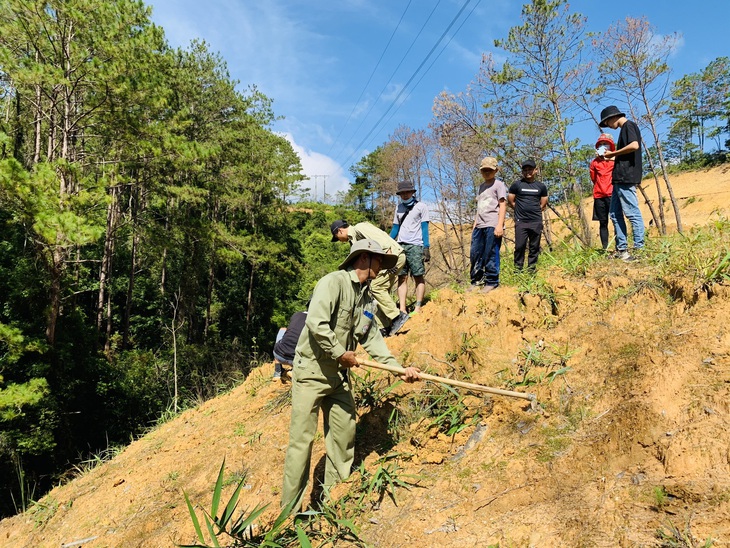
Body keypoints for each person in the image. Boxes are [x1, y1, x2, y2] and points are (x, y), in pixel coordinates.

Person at [281, 239, 421, 512]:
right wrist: (338, 352)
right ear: (364, 259)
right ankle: (290, 512)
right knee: (301, 443)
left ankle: (334, 503)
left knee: (344, 436)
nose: (382, 268)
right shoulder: (332, 283)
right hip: (311, 372)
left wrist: (399, 370)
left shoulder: (367, 298)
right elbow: (316, 323)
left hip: (339, 377)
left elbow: (371, 337)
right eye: (380, 261)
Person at [330, 220, 409, 336]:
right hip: (385, 261)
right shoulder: (354, 239)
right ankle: (384, 327)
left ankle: (397, 316)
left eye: (337, 237)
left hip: (391, 257)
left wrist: (390, 258)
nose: (340, 241)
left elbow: (381, 240)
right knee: (373, 292)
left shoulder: (359, 227)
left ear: (340, 231)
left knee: (376, 287)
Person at [598, 105, 645, 261]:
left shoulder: (628, 125)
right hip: (619, 178)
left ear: (612, 117)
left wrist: (613, 153)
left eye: (607, 123)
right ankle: (622, 249)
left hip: (626, 177)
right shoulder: (625, 129)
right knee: (614, 214)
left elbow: (634, 146)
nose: (609, 126)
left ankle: (639, 249)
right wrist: (613, 157)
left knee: (632, 213)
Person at [390, 181, 430, 315]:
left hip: (415, 245)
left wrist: (426, 247)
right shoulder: (398, 208)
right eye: (402, 193)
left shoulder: (421, 207)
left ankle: (418, 307)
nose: (405, 195)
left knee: (418, 276)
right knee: (402, 277)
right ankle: (402, 308)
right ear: (400, 194)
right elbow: (395, 228)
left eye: (407, 192)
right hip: (400, 246)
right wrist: (388, 242)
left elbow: (424, 228)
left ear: (412, 192)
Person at [469, 156, 507, 293]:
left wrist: (499, 225)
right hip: (479, 225)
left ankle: (492, 281)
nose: (487, 173)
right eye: (484, 170)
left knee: (491, 252)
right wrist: (475, 224)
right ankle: (476, 280)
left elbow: (503, 205)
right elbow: (479, 207)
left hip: (492, 224)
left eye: (489, 170)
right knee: (475, 253)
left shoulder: (499, 185)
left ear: (495, 170)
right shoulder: (481, 187)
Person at [507, 159, 548, 272]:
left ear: (535, 170)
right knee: (519, 246)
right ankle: (518, 271)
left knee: (534, 247)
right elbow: (511, 201)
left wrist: (535, 210)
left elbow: (543, 202)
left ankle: (531, 270)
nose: (527, 172)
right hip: (521, 221)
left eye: (530, 169)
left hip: (536, 221)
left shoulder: (541, 186)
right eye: (525, 170)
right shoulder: (517, 185)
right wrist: (519, 209)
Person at [589, 133, 616, 251]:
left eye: (605, 144)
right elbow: (593, 178)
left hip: (612, 194)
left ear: (610, 146)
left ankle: (620, 246)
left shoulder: (615, 160)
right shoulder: (594, 162)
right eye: (601, 144)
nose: (603, 146)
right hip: (599, 195)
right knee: (603, 223)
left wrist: (609, 157)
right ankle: (605, 248)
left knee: (616, 220)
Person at [272, 310, 308, 379]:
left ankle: (277, 372)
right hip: (295, 360)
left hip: (279, 355)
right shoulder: (315, 320)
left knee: (282, 329)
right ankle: (294, 371)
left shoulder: (297, 314)